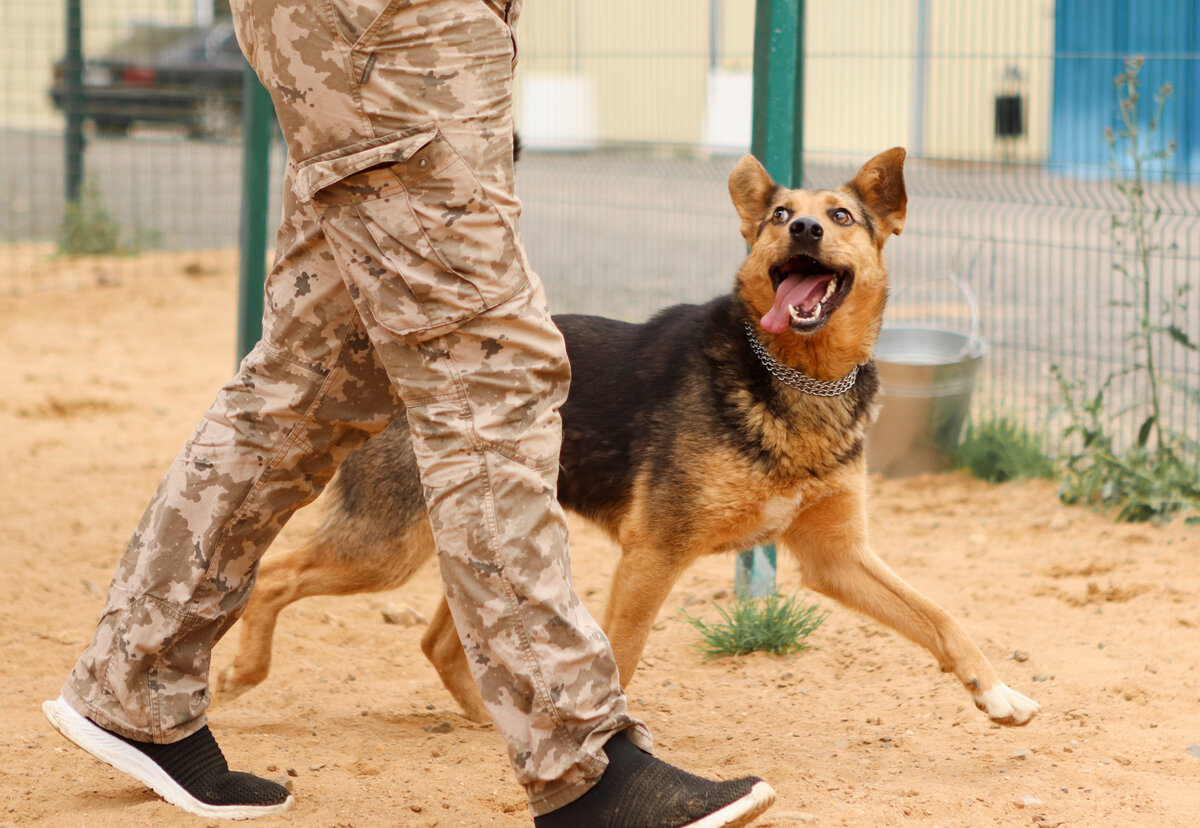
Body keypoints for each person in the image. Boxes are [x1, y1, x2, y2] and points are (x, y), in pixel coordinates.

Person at [42, 1, 776, 826]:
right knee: (491, 369)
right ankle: (581, 762)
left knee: (316, 375)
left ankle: (134, 683)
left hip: (361, 31)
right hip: (395, 27)